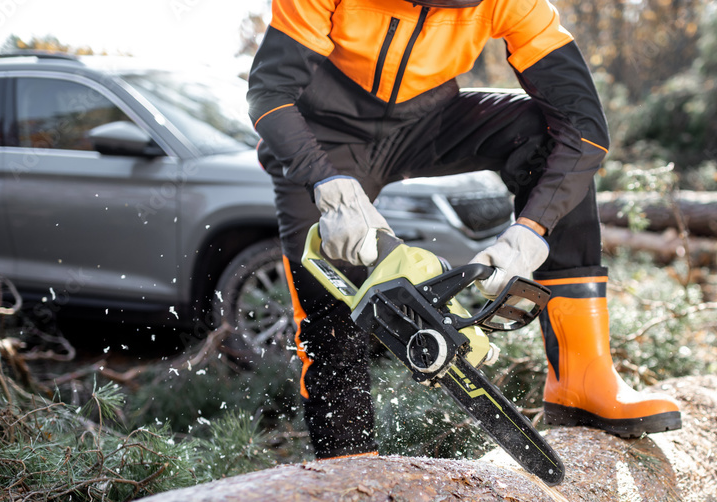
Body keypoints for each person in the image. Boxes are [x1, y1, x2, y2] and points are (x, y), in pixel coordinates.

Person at [247, 0, 682, 459]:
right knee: (331, 302)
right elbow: (269, 93)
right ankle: (348, 464)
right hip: (322, 135)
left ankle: (582, 378)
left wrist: (531, 232)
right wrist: (324, 179)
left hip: (428, 122)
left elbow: (585, 129)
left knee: (547, 137)